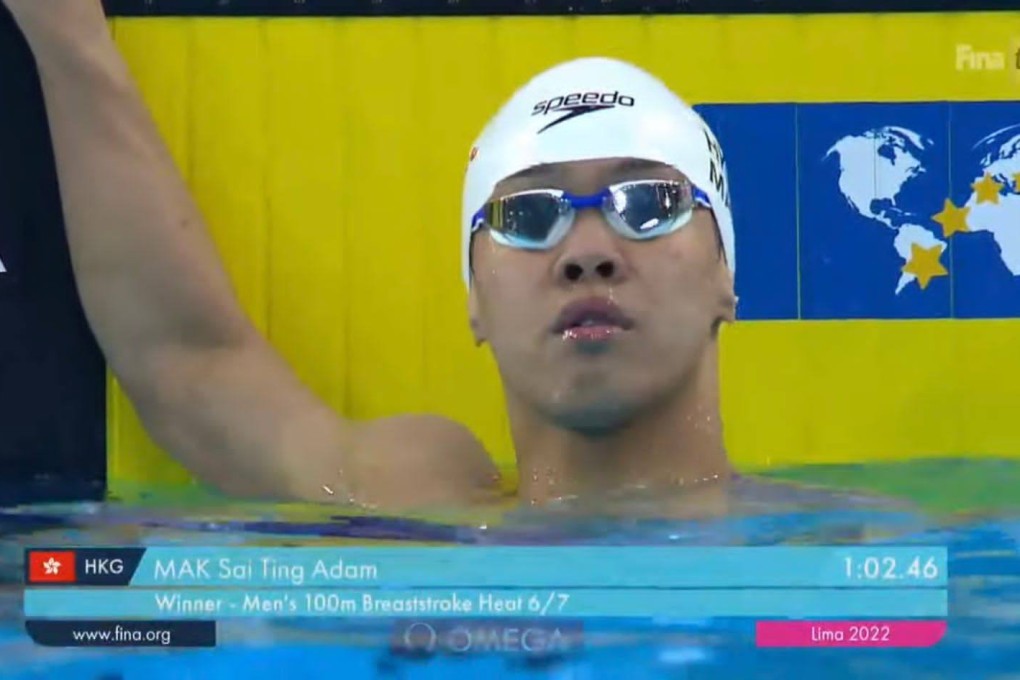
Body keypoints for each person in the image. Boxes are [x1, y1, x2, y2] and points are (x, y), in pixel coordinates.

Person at [3, 0, 743, 512]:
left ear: (726, 274)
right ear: (475, 299)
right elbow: (186, 365)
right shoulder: (417, 501)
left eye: (648, 204)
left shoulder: (836, 547)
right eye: (528, 215)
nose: (587, 254)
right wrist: (68, 39)